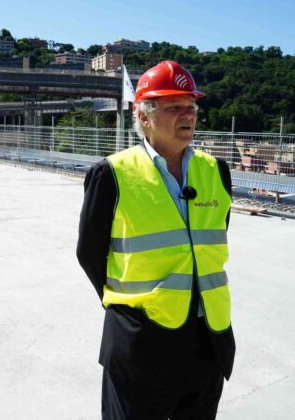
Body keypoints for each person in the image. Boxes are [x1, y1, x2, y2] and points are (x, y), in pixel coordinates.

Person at [77, 61, 235, 420]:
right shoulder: (112, 174)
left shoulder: (216, 171)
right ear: (144, 116)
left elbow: (212, 239)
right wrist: (127, 307)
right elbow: (89, 252)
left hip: (208, 338)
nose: (188, 115)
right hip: (141, 342)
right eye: (174, 107)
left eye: (191, 106)